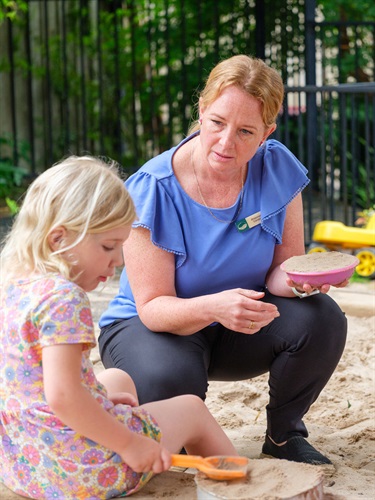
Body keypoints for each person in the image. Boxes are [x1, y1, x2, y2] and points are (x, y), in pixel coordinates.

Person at [98, 55, 348, 467]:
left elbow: (282, 272)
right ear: (201, 111)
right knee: (170, 380)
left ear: (267, 132)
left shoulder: (277, 167)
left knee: (322, 318)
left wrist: (306, 281)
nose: (225, 143)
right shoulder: (152, 187)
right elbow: (154, 307)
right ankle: (175, 437)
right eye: (216, 123)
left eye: (246, 131)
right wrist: (216, 306)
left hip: (236, 321)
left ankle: (284, 435)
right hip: (154, 327)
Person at [0, 156, 238, 500]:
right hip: (81, 471)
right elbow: (64, 396)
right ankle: (248, 487)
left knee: (119, 380)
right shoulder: (63, 298)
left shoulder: (12, 286)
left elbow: (24, 381)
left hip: (25, 464)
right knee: (192, 410)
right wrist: (130, 444)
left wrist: (99, 397)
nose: (118, 262)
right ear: (58, 239)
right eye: (108, 246)